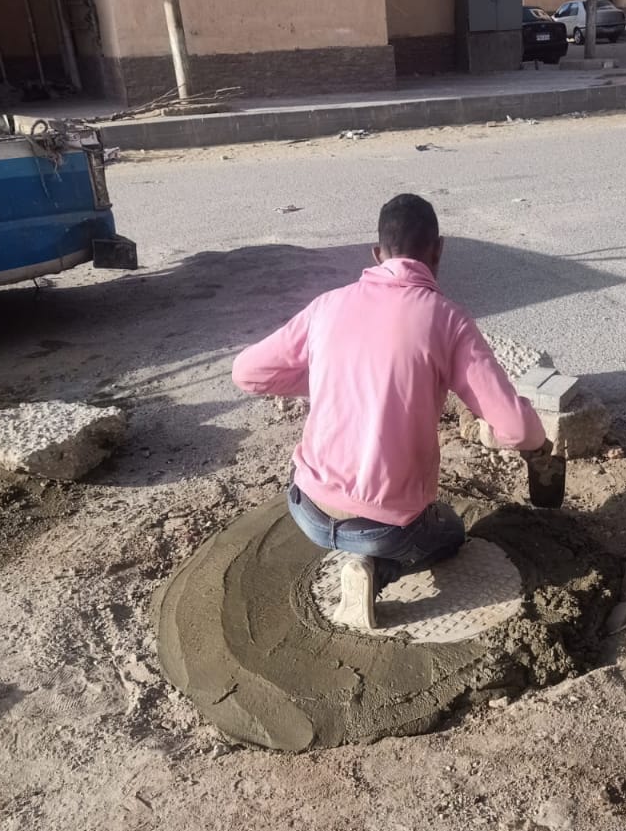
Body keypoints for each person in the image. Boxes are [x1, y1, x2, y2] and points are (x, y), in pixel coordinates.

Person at [232, 193, 549, 630]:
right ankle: (377, 570)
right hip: (383, 529)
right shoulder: (447, 320)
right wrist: (539, 444)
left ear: (376, 254)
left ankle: (357, 548)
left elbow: (246, 373)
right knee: (451, 532)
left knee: (371, 511)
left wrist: (327, 380)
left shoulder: (327, 305)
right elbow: (515, 429)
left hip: (306, 507)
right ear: (438, 251)